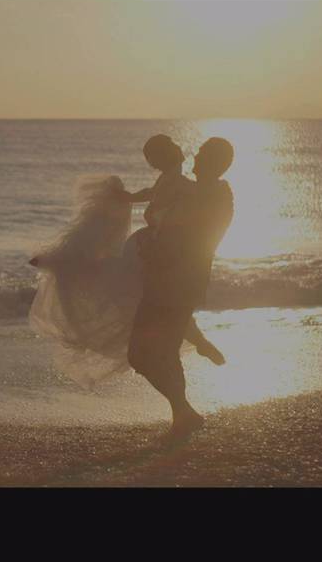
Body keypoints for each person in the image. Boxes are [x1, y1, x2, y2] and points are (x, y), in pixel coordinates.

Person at [27, 135, 223, 390]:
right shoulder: (171, 178)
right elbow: (151, 193)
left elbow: (179, 201)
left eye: (153, 157)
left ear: (162, 156)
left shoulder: (180, 182)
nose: (151, 163)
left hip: (152, 251)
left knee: (118, 284)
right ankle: (200, 342)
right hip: (148, 248)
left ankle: (64, 264)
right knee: (125, 287)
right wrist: (128, 198)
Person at [127, 137, 235, 439]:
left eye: (202, 153)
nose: (195, 156)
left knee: (161, 353)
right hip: (164, 280)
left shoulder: (215, 195)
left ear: (214, 162)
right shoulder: (192, 190)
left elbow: (199, 240)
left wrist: (158, 249)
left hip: (181, 283)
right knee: (140, 355)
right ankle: (184, 408)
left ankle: (183, 414)